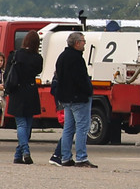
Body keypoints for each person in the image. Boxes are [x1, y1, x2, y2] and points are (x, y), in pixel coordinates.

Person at [50, 31, 94, 167]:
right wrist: (88, 90)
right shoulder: (77, 59)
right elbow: (80, 79)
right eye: (83, 41)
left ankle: (65, 157)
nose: (84, 43)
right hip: (78, 98)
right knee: (82, 127)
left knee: (68, 128)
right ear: (76, 43)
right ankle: (81, 157)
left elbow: (59, 77)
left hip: (65, 98)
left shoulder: (62, 57)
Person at [6, 30, 43, 164]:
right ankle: (22, 152)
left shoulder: (15, 55)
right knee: (27, 124)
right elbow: (38, 71)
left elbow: (8, 73)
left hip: (17, 91)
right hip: (31, 90)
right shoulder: (37, 58)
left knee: (21, 124)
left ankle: (21, 152)